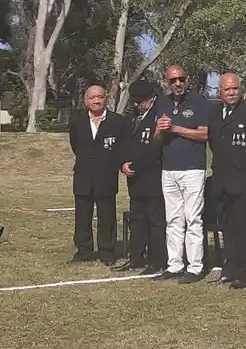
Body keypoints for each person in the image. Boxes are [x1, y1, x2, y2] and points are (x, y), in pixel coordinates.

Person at [155, 64, 211, 283]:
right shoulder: (162, 102)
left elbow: (205, 134)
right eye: (173, 81)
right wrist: (160, 130)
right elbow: (156, 138)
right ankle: (174, 264)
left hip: (192, 169)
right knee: (173, 219)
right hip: (168, 169)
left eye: (181, 79)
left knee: (193, 218)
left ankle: (195, 267)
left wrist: (176, 129)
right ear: (166, 82)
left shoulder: (199, 102)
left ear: (187, 80)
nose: (178, 84)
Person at [207, 70, 246, 286]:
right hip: (221, 178)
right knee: (227, 227)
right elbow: (213, 142)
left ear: (241, 89)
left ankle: (244, 271)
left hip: (243, 179)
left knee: (241, 227)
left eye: (234, 88)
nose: (231, 92)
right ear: (219, 91)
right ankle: (229, 268)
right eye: (226, 89)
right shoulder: (213, 113)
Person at [68, 84, 126, 263]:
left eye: (99, 97)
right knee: (82, 215)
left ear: (106, 99)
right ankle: (84, 250)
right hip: (83, 176)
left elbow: (120, 148)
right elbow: (75, 145)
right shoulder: (77, 120)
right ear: (86, 101)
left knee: (107, 215)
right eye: (92, 97)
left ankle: (106, 250)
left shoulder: (118, 121)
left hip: (106, 177)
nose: (96, 100)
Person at [116, 77, 166, 274]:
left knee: (155, 220)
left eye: (141, 101)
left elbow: (154, 149)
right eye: (135, 101)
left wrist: (136, 164)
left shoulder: (157, 117)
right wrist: (123, 163)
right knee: (137, 219)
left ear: (151, 99)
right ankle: (135, 256)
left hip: (152, 177)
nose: (138, 105)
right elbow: (123, 144)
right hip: (134, 179)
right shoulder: (130, 119)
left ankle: (156, 260)